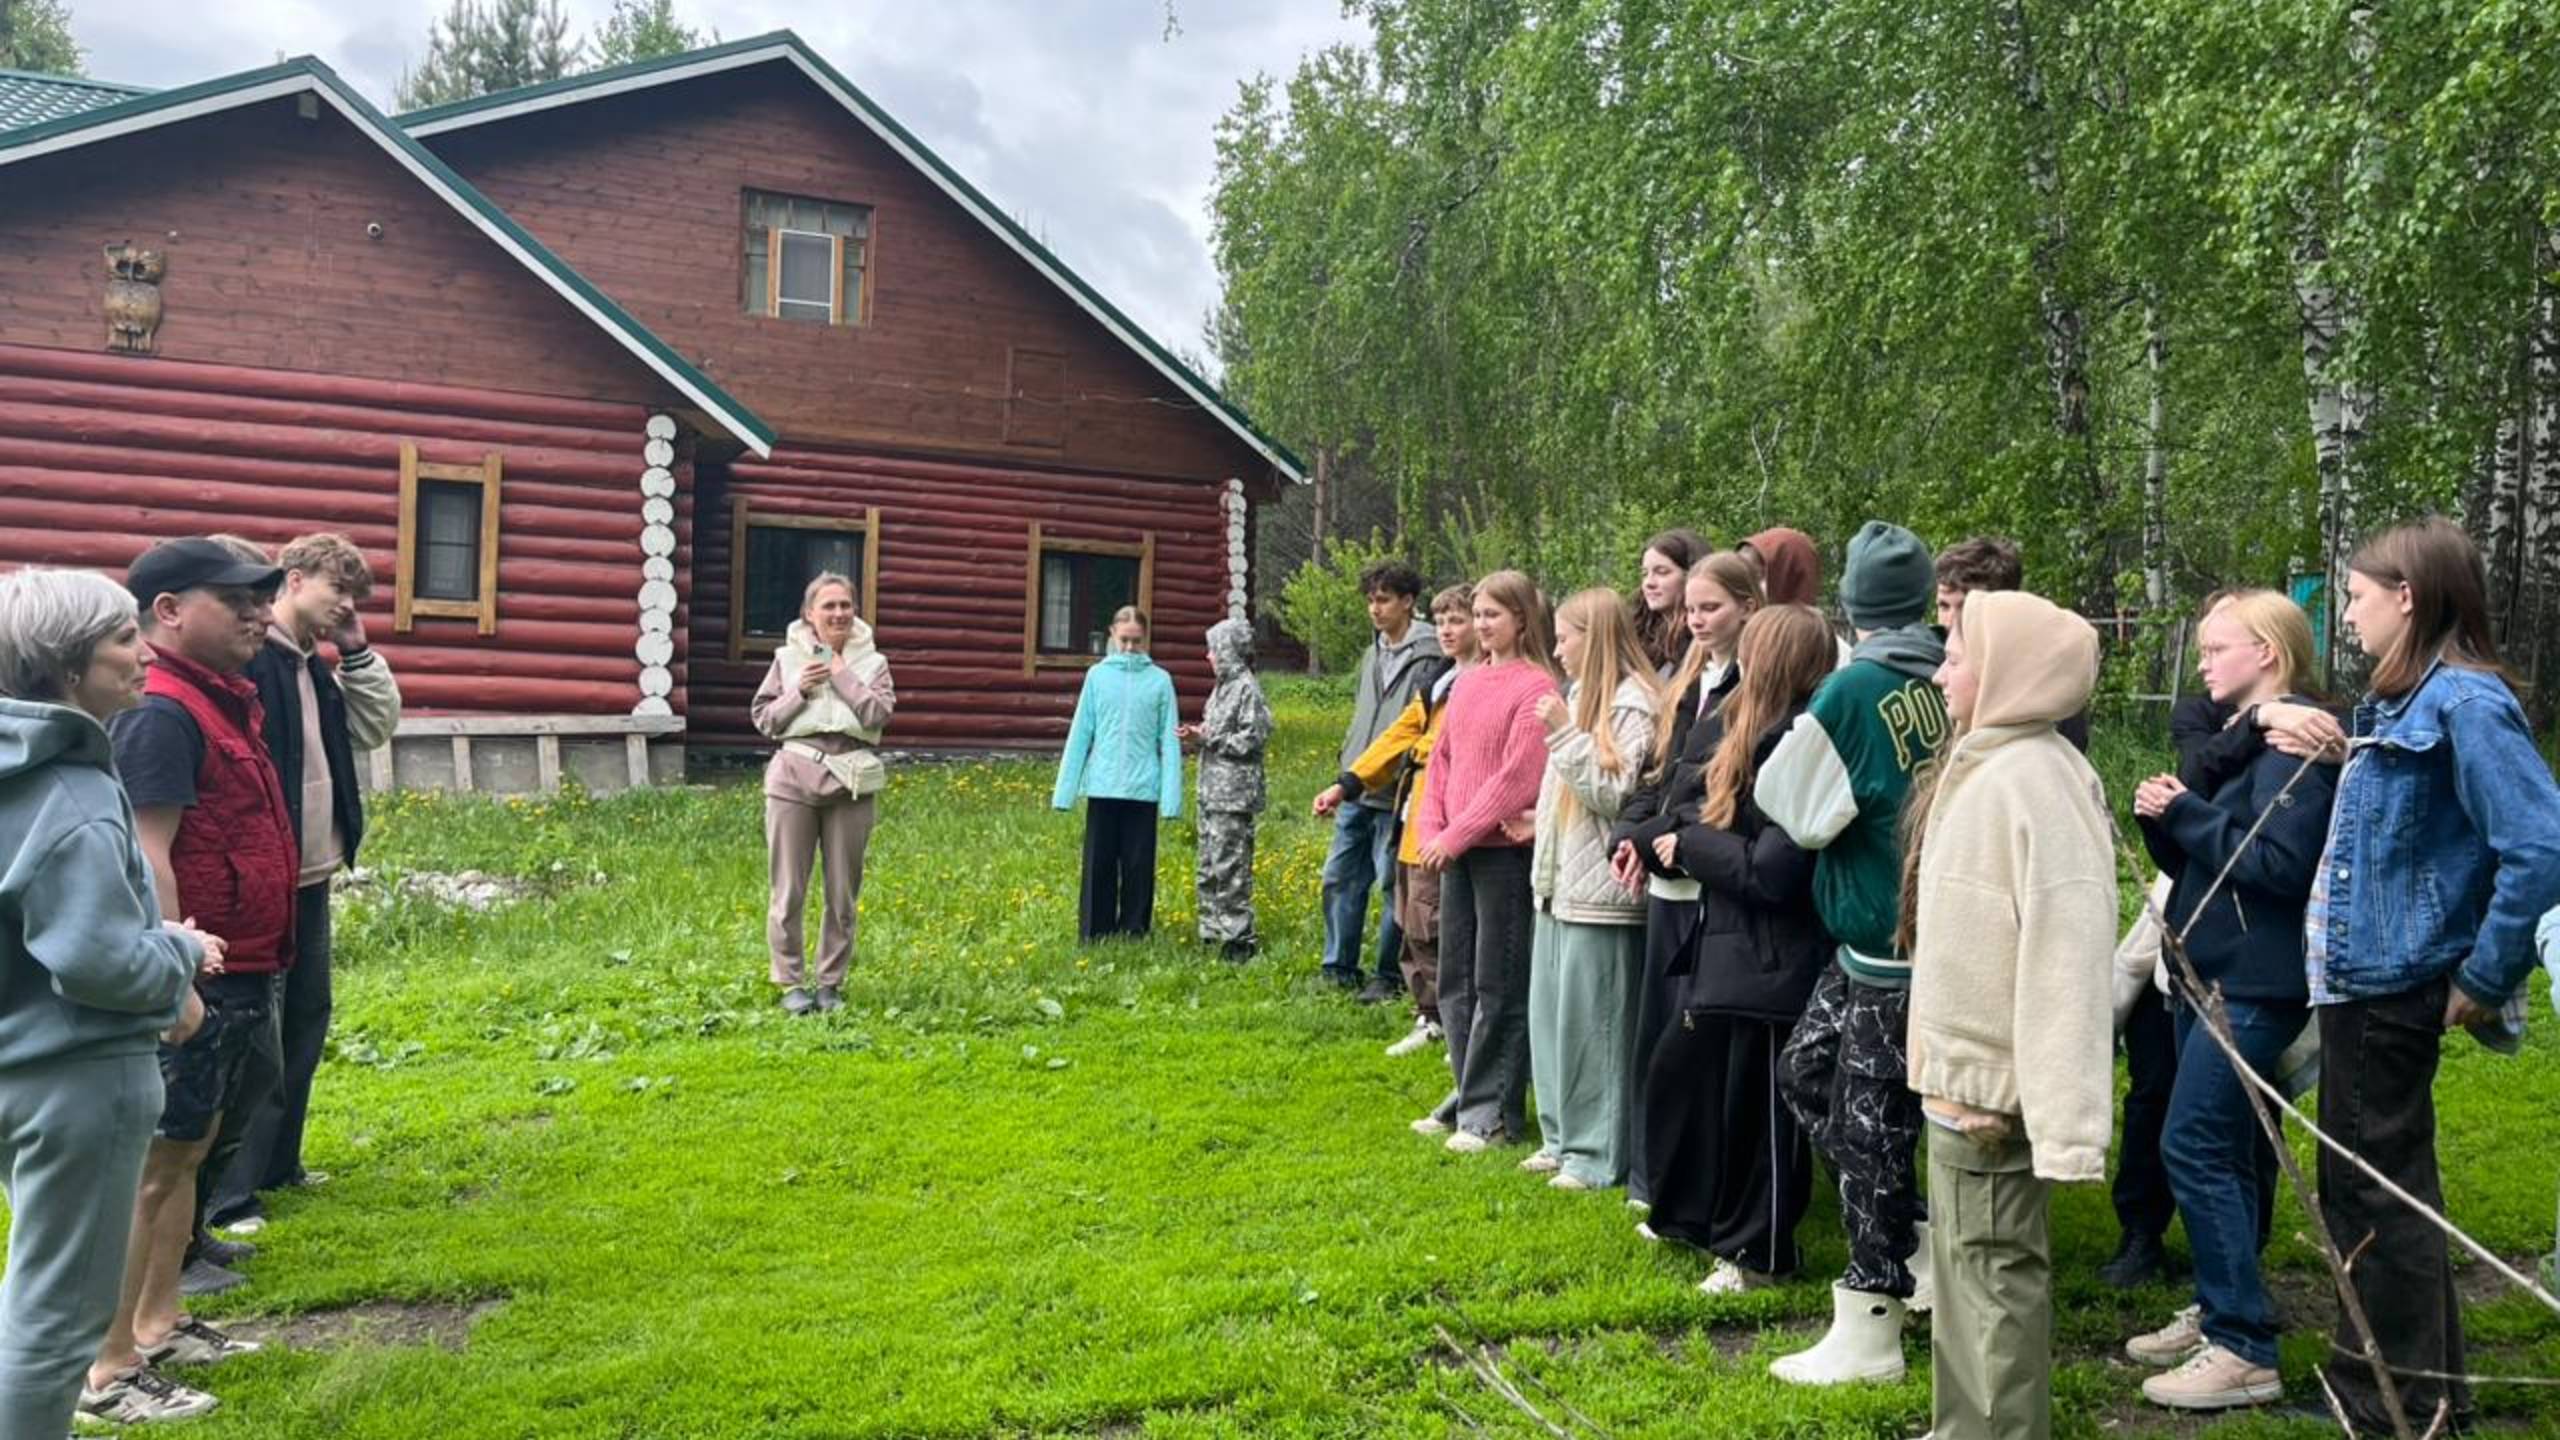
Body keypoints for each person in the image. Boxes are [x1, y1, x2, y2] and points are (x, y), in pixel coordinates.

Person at [2271, 517, 2560, 1435]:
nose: (2345, 615)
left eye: (2356, 596)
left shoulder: (2467, 705)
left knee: (2374, 1192)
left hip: (2395, 984)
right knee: (2383, 1186)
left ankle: (2395, 1406)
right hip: (2364, 980)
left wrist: (2485, 970)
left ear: (2408, 596)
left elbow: (2542, 846)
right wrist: (2340, 754)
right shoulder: (2410, 702)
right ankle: (2422, 1396)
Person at [85, 538, 299, 1424]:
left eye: (260, 598)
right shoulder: (164, 713)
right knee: (150, 1166)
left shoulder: (219, 702)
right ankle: (106, 1368)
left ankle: (161, 1322)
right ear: (166, 611)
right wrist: (177, 981)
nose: (257, 613)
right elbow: (148, 855)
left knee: (182, 1157)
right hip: (200, 976)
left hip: (238, 964)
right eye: (233, 598)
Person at [0, 569, 212, 1436]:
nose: (143, 655)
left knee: (31, 1288)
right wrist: (181, 952)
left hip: (19, 1066)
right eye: (124, 640)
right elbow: (97, 961)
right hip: (77, 1080)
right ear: (64, 666)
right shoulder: (72, 792)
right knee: (58, 1323)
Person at [1903, 588, 2116, 1440]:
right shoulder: (1990, 762)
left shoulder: (2037, 782)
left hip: (1994, 1101)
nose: (1943, 669)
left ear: (2009, 672)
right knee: (1962, 1284)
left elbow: (2068, 961)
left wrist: (2063, 1127)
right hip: (1960, 1086)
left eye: (1956, 655)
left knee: (1994, 1288)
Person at [2126, 590, 2340, 1411]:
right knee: (2236, 1149)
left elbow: (2281, 866)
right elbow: (2199, 852)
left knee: (2196, 1145)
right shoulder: (2236, 735)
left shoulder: (2301, 747)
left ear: (2269, 654)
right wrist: (2164, 819)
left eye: (2219, 649)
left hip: (2253, 981)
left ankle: (2242, 1345)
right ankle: (2228, 1307)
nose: (2203, 663)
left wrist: (2185, 812)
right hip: (2206, 967)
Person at [1755, 520, 1949, 1385]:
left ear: (1852, 606)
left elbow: (1795, 809)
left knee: (1869, 1124)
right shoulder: (1950, 672)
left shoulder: (1854, 690)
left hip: (1885, 937)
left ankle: (1874, 1312)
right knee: (1807, 1071)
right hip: (1903, 936)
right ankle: (1917, 1239)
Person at [208, 533, 402, 1235]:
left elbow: (374, 726)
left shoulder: (315, 665)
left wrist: (355, 647)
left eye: (354, 597)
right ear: (292, 581)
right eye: (336, 592)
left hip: (313, 872)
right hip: (265, 878)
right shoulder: (253, 661)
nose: (345, 606)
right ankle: (229, 1192)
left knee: (304, 1020)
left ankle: (278, 1166)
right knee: (255, 1034)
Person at [1638, 604, 1834, 1292]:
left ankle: (1762, 1254)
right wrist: (1667, 841)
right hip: (1727, 941)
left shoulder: (1798, 740)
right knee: (1686, 1078)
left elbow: (1774, 870)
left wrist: (1691, 845)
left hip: (1775, 953)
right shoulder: (1745, 727)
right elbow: (1693, 806)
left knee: (1763, 1113)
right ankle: (1695, 1218)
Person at [1610, 551, 1763, 1207]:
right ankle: (1654, 1179)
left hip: (1706, 878)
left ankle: (1687, 1185)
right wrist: (1629, 835)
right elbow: (1658, 773)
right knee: (1658, 1039)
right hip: (1664, 868)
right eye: (1693, 609)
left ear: (1748, 608)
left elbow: (1718, 792)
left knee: (1689, 1048)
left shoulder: (1752, 687)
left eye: (1711, 608)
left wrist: (1651, 840)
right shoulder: (1690, 678)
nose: (1697, 621)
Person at [1412, 572, 1561, 1151]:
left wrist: (1458, 834)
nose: (1480, 624)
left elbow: (1517, 777)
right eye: (1476, 613)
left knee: (1497, 981)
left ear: (1522, 619)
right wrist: (1433, 827)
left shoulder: (1536, 685)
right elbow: (1442, 759)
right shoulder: (1469, 681)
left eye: (1492, 614)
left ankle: (1494, 1115)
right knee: (1455, 982)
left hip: (1500, 853)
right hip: (1457, 848)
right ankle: (1465, 1093)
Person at [1522, 589, 1659, 1191]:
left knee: (1595, 1029)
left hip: (1603, 896)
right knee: (1552, 1020)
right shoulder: (1580, 696)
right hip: (1558, 886)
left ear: (1595, 637)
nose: (1556, 650)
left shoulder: (1634, 704)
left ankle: (1597, 1153)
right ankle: (1560, 1139)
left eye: (1565, 638)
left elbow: (1619, 796)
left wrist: (1562, 736)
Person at [1317, 585, 1476, 1056]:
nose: (1448, 630)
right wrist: (1347, 783)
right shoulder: (1442, 680)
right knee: (1412, 915)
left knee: (1438, 920)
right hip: (1414, 811)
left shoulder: (1482, 681)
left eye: (1459, 621)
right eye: (1443, 621)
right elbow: (1396, 735)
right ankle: (1429, 1015)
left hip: (1453, 818)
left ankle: (1457, 1020)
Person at [752, 572, 895, 1013]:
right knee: (789, 888)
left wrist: (840, 673)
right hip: (793, 776)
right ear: (809, 614)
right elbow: (765, 719)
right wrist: (800, 690)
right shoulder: (785, 658)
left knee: (841, 891)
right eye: (828, 606)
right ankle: (791, 983)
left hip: (850, 781)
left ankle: (830, 983)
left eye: (845, 605)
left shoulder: (874, 663)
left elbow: (877, 714)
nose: (838, 613)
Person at [1322, 561, 1442, 1000]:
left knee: (1394, 884)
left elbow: (1416, 725)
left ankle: (1387, 974)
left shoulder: (1432, 654)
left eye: (1384, 599)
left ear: (1408, 602)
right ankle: (1338, 965)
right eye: (1370, 600)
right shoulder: (1373, 652)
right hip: (1355, 781)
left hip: (1396, 790)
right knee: (1339, 876)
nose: (1375, 609)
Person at [1053, 606, 1182, 943]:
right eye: (1124, 640)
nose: (1129, 648)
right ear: (1111, 635)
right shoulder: (1097, 677)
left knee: (1139, 865)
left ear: (1145, 639)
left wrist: (1171, 799)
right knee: (1099, 863)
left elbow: (1169, 741)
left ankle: (1134, 930)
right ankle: (1095, 930)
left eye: (1136, 641)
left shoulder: (1160, 680)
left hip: (1143, 787)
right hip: (1103, 784)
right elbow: (1081, 733)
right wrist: (1064, 792)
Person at [1934, 536, 2089, 751]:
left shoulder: (2041, 672)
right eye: (1943, 606)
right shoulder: (1943, 663)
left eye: (1964, 608)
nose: (1950, 620)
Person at [1183, 618, 1272, 963]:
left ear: (1228, 650)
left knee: (1231, 866)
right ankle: (1211, 930)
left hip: (1234, 794)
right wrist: (1198, 732)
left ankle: (1239, 939)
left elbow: (1253, 738)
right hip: (1211, 790)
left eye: (1213, 648)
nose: (1208, 655)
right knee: (1208, 864)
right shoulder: (1221, 688)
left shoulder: (1247, 688)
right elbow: (1217, 730)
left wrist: (1208, 738)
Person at [1632, 528, 1711, 675]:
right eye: (1644, 573)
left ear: (1691, 574)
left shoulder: (1706, 637)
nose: (1649, 582)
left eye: (1662, 572)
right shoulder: (1636, 636)